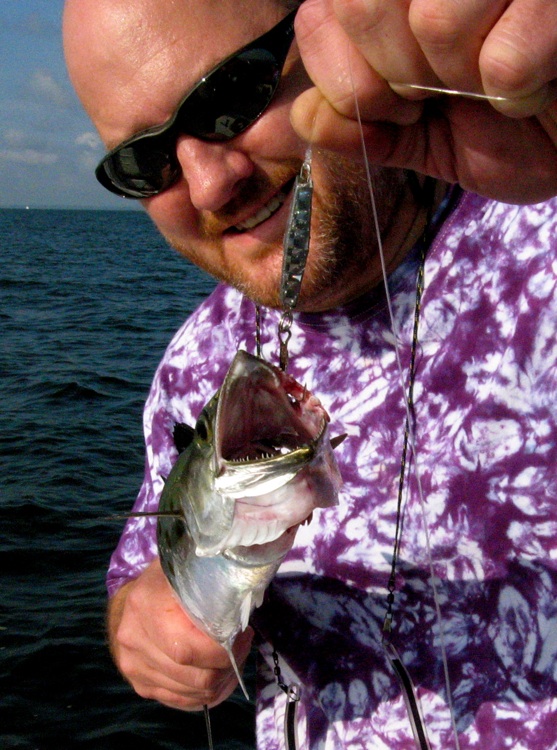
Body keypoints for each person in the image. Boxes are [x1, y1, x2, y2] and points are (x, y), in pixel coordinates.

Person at [62, 0, 557, 747]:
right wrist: (139, 625)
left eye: (229, 100)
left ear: (337, 38)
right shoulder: (194, 367)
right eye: (144, 162)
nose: (207, 185)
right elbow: (154, 566)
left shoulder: (540, 220)